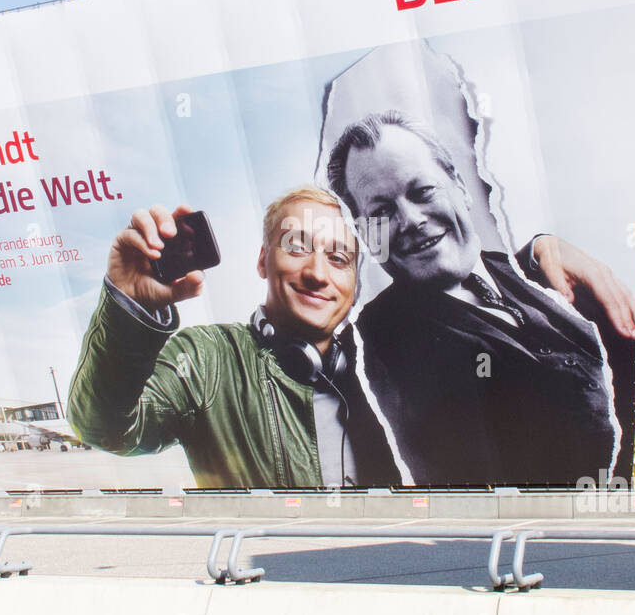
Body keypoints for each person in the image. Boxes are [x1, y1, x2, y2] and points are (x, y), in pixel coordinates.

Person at [326, 110, 635, 486]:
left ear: (458, 184)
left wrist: (541, 248)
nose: (410, 220)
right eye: (382, 211)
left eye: (422, 192)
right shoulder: (375, 342)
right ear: (366, 235)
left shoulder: (524, 273)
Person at [67, 187, 399, 489]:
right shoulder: (205, 360)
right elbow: (103, 428)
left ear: (355, 284)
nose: (316, 273)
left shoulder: (382, 369)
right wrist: (128, 310)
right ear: (262, 261)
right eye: (296, 248)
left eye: (339, 259)